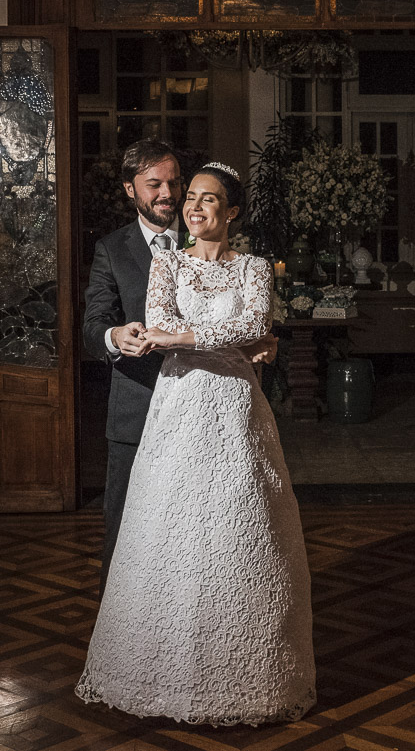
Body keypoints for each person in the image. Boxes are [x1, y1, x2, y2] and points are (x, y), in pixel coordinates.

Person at [75, 161, 316, 726]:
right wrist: (225, 341)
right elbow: (160, 327)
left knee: (240, 525)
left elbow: (249, 322)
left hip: (235, 408)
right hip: (177, 407)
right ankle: (157, 667)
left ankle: (244, 671)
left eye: (208, 199)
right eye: (192, 198)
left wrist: (201, 338)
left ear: (231, 212)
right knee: (168, 529)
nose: (192, 206)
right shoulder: (166, 263)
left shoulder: (255, 267)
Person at [82, 140, 274, 594]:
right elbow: (92, 325)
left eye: (176, 184)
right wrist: (115, 337)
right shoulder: (113, 249)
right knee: (129, 534)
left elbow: (248, 319)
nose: (169, 194)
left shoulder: (221, 249)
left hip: (215, 413)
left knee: (211, 530)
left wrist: (257, 342)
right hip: (139, 407)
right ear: (131, 189)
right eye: (155, 185)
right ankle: (123, 636)